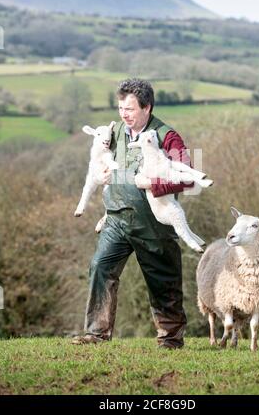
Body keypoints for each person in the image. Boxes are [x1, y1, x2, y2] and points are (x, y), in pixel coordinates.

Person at [72, 78, 194, 349]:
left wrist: (153, 183)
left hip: (153, 223)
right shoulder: (114, 131)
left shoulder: (167, 136)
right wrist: (102, 172)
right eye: (120, 108)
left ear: (147, 107)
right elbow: (100, 163)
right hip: (117, 218)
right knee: (101, 267)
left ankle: (171, 338)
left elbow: (187, 179)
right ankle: (96, 333)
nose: (123, 115)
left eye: (130, 109)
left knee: (163, 281)